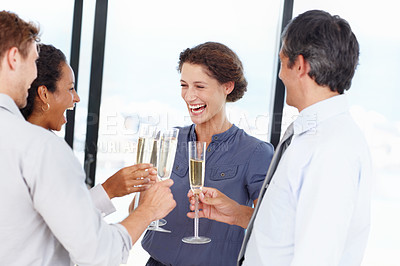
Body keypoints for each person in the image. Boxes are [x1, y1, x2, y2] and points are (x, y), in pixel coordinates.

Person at [187, 10, 372, 266]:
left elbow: (317, 257)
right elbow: (286, 228)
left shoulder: (333, 148)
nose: (280, 75)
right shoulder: (312, 134)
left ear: (300, 65)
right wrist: (237, 214)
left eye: (282, 62)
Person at [0, 10, 176, 266]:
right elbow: (100, 254)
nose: (32, 75)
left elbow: (33, 222)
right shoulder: (41, 148)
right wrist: (147, 211)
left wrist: (109, 191)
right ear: (15, 58)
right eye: (33, 61)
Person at [141, 42, 274, 266]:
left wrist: (235, 211)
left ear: (227, 87)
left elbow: (271, 225)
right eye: (184, 85)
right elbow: (140, 209)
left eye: (200, 86)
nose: (189, 96)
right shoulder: (170, 141)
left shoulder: (255, 152)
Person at [19, 43, 155, 216]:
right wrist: (110, 189)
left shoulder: (30, 142)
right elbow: (66, 221)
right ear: (44, 94)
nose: (77, 98)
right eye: (70, 88)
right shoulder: (40, 152)